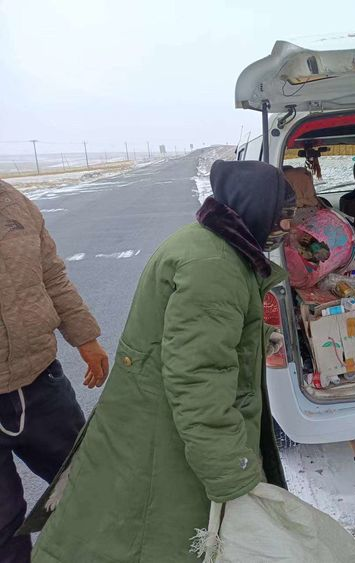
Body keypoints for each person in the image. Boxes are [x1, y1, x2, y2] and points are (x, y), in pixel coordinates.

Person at [29, 161, 296, 562]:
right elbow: (197, 377)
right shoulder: (213, 266)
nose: (287, 227)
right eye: (282, 216)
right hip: (164, 431)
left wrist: (254, 336)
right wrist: (233, 472)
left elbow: (194, 335)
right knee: (153, 534)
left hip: (156, 415)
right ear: (253, 207)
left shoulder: (211, 244)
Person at [0, 180, 108, 563]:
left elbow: (52, 277)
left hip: (41, 383)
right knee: (3, 525)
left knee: (85, 483)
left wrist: (86, 338)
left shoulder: (16, 203)